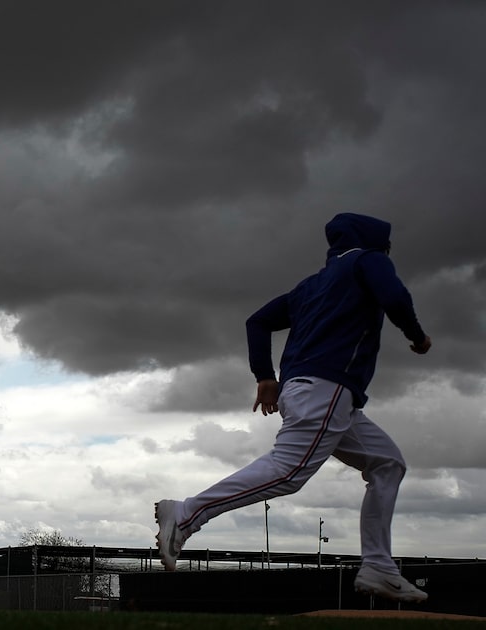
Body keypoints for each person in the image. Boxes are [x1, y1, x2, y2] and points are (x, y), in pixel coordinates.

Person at [154, 213, 432, 603]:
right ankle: (185, 514)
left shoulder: (312, 286)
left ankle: (379, 567)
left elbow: (258, 321)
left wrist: (264, 376)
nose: (388, 251)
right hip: (327, 388)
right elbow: (395, 297)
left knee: (387, 463)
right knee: (289, 471)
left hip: (315, 392)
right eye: (386, 245)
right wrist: (417, 337)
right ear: (375, 243)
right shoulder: (368, 260)